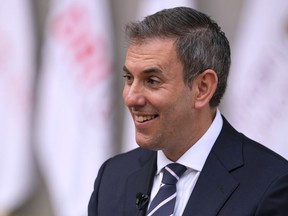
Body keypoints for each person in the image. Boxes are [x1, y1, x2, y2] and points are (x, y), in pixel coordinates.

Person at [88, 7, 288, 216]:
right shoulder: (112, 177)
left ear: (202, 88)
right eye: (129, 78)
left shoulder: (272, 187)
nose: (130, 97)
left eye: (152, 81)